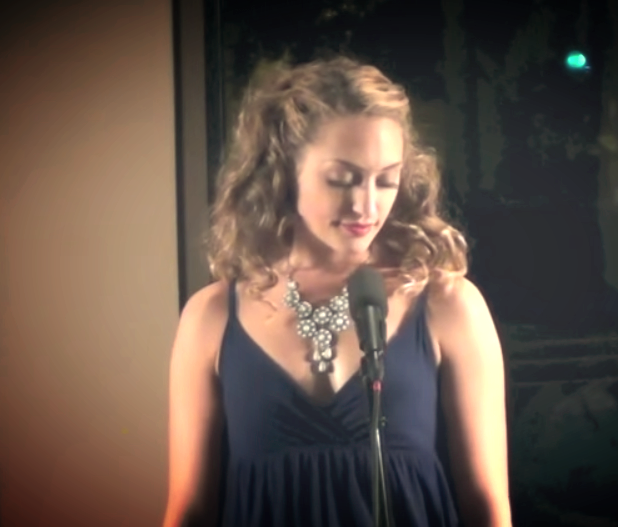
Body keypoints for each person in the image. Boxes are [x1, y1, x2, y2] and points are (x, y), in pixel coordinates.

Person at [162, 56, 511, 527]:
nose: (367, 206)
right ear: (283, 171)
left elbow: (488, 507)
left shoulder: (450, 305)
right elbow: (189, 511)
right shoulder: (210, 316)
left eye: (386, 180)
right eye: (341, 180)